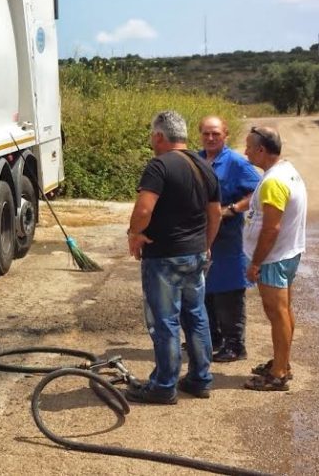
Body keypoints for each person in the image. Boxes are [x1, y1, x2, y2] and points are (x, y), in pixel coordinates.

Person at [126, 110, 222, 403]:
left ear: (159, 136)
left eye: (152, 137)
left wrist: (134, 233)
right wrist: (205, 245)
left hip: (164, 257)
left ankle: (164, 386)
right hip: (195, 255)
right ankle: (200, 379)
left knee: (164, 321)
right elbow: (215, 213)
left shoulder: (159, 166)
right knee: (196, 316)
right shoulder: (204, 165)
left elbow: (144, 209)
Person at [242, 125, 308, 392]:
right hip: (287, 253)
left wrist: (256, 262)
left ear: (261, 150)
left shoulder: (273, 182)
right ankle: (282, 362)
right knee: (284, 310)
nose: (245, 152)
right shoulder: (287, 171)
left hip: (273, 257)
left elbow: (271, 228)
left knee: (276, 312)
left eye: (249, 147)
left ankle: (279, 373)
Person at [198, 116, 261, 362]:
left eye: (215, 133)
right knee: (205, 288)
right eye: (206, 133)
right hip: (203, 236)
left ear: (225, 134)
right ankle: (212, 338)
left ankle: (235, 345)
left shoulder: (236, 162)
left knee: (229, 289)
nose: (210, 138)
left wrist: (233, 209)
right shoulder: (197, 159)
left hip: (228, 237)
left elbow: (257, 191)